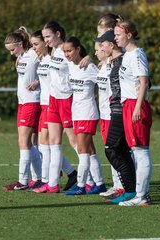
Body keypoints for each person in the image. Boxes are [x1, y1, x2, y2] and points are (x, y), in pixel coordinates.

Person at [29, 30, 78, 192]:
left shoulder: (60, 51)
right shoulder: (48, 54)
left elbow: (77, 62)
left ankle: (86, 179)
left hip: (62, 101)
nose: (35, 47)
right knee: (48, 144)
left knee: (65, 143)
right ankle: (54, 181)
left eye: (46, 37)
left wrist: (87, 58)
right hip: (50, 102)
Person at [94, 30, 137, 203]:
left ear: (111, 46)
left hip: (121, 109)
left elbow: (144, 81)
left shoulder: (123, 60)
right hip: (117, 110)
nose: (100, 47)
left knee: (112, 149)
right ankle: (131, 190)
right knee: (121, 150)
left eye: (103, 44)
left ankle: (131, 189)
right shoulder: (114, 61)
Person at [114, 16, 153, 206]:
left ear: (129, 35)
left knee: (140, 151)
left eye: (118, 34)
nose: (115, 38)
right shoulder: (127, 54)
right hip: (128, 104)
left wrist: (137, 107)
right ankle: (141, 194)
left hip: (135, 106)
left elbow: (144, 82)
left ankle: (142, 196)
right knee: (135, 150)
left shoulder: (137, 54)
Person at [62, 37, 106, 195]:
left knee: (82, 150)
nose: (66, 54)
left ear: (78, 49)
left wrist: (90, 58)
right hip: (77, 113)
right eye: (64, 51)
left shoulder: (89, 67)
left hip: (88, 113)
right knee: (90, 150)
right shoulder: (69, 64)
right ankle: (100, 183)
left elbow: (105, 81)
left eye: (69, 51)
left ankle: (81, 186)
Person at [2, 26, 42, 190]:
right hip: (23, 102)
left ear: (20, 44)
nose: (11, 53)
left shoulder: (33, 54)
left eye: (12, 49)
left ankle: (23, 182)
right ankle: (41, 177)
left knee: (23, 142)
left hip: (32, 101)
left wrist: (38, 82)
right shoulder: (23, 56)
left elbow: (50, 65)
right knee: (29, 142)